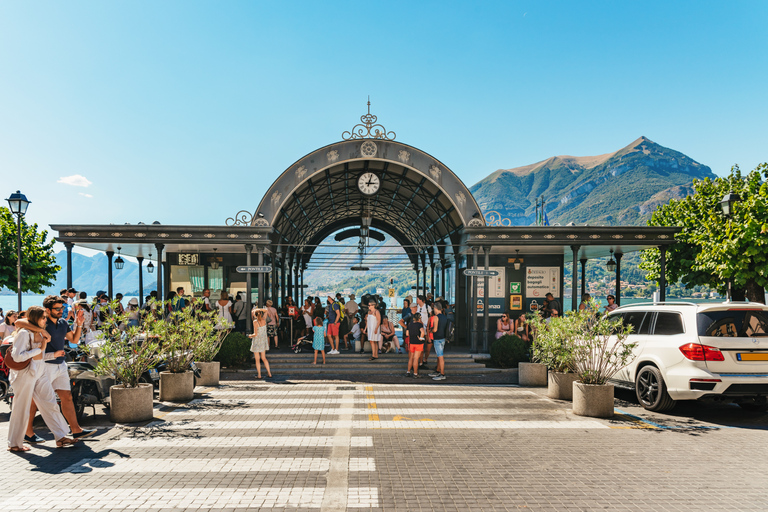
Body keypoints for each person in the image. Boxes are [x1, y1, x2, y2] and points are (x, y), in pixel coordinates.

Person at [15, 296, 95, 441]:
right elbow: (18, 321)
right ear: (47, 310)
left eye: (62, 308)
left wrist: (79, 324)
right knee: (35, 401)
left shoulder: (63, 322)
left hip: (60, 365)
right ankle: (28, 432)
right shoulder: (42, 322)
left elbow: (74, 340)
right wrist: (42, 330)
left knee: (67, 397)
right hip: (45, 366)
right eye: (57, 309)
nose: (61, 311)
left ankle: (76, 430)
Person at [7, 306, 76, 451]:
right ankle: (14, 444)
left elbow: (40, 357)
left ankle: (61, 437)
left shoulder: (40, 333)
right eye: (43, 317)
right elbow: (17, 356)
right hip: (25, 374)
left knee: (50, 403)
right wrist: (40, 348)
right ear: (35, 318)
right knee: (21, 408)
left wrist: (52, 355)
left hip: (40, 371)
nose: (46, 320)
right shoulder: (24, 333)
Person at [248, 308, 272, 379]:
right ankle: (269, 373)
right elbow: (266, 310)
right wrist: (258, 309)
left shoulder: (255, 322)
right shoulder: (264, 319)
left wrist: (250, 336)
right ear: (261, 314)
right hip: (263, 341)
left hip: (257, 341)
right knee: (264, 358)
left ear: (255, 315)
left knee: (257, 359)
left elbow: (255, 334)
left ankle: (259, 375)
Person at [429, 302, 449, 381]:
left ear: (436, 308)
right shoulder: (444, 317)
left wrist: (430, 330)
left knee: (440, 356)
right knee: (439, 356)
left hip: (437, 338)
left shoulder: (436, 317)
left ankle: (442, 373)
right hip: (443, 338)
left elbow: (435, 329)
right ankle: (438, 371)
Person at [405, 313, 425, 378]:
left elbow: (407, 334)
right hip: (418, 343)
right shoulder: (419, 324)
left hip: (412, 342)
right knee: (416, 359)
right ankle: (415, 373)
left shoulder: (410, 324)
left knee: (411, 358)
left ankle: (408, 372)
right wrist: (421, 338)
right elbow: (423, 332)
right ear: (419, 318)